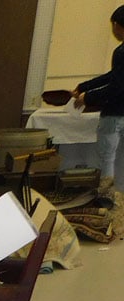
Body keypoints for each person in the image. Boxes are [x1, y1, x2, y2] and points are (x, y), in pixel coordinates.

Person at [72, 6, 124, 187]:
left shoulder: (121, 52)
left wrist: (88, 97)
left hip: (114, 114)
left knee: (108, 158)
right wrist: (84, 87)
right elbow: (114, 76)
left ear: (117, 25)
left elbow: (116, 86)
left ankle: (107, 197)